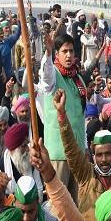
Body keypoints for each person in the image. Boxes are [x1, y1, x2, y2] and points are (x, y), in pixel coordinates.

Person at [56, 91, 111, 221]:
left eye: (108, 154)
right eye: (99, 155)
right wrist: (61, 116)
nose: (104, 160)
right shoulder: (86, 175)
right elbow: (71, 150)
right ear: (93, 155)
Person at [39, 33, 87, 201]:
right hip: (58, 155)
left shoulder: (77, 78)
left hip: (77, 153)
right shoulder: (53, 77)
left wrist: (85, 147)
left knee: (76, 206)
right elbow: (46, 74)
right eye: (64, 51)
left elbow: (81, 117)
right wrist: (48, 53)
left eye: (71, 51)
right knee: (58, 205)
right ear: (57, 54)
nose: (68, 55)